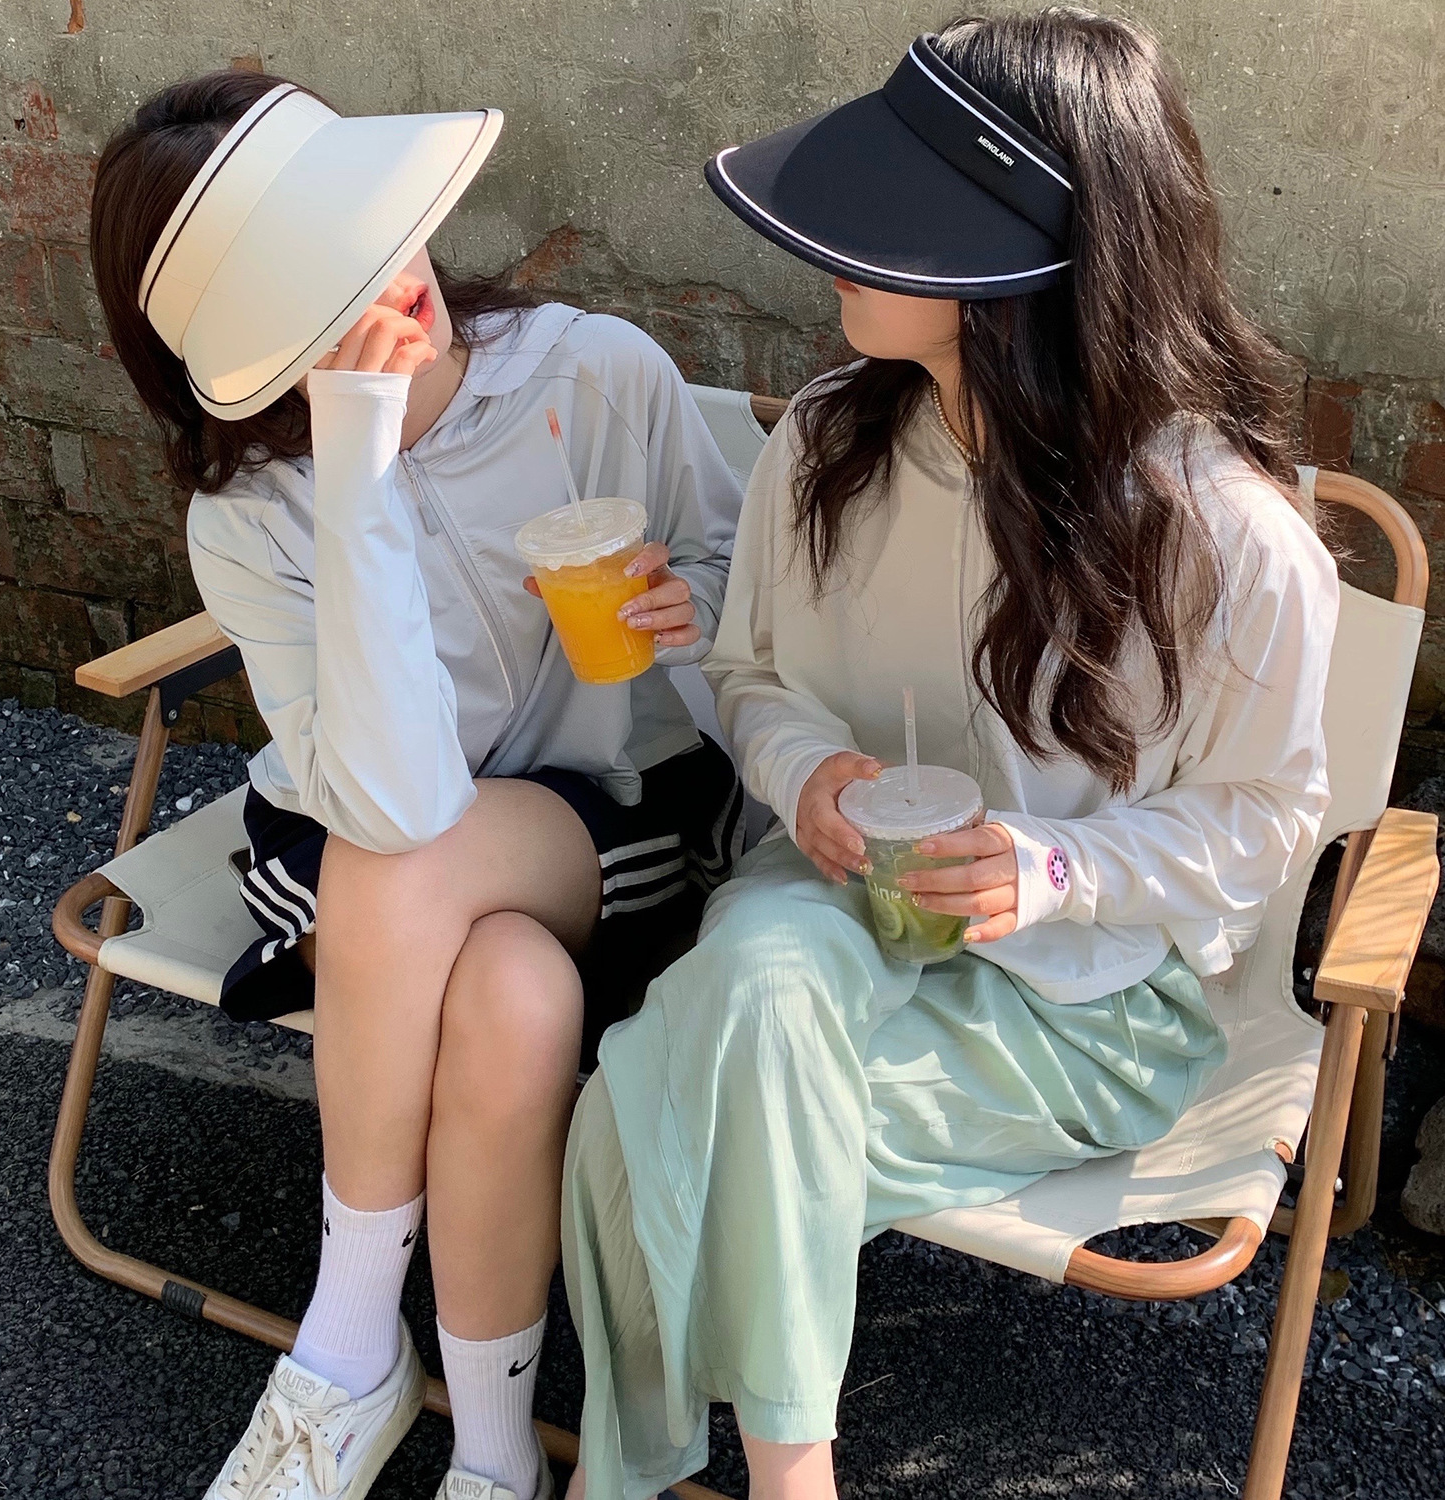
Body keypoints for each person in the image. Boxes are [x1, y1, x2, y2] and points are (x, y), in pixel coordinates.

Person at [562, 11, 1339, 1500]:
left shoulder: (1223, 534)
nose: (835, 248)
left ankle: (652, 1472)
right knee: (763, 977)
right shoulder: (829, 445)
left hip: (1083, 1000)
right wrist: (808, 778)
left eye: (894, 218)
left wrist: (1056, 868)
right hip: (830, 905)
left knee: (635, 1113)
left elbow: (1268, 815)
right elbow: (753, 674)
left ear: (1034, 263)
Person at [89, 70, 744, 1500]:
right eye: (320, 289)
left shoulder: (595, 375)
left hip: (599, 823)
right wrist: (359, 472)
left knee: (412, 873)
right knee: (510, 989)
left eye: (376, 231)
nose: (391, 284)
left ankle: (345, 1343)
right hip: (352, 837)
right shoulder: (249, 515)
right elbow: (387, 798)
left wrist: (693, 605)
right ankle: (495, 1457)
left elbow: (743, 570)